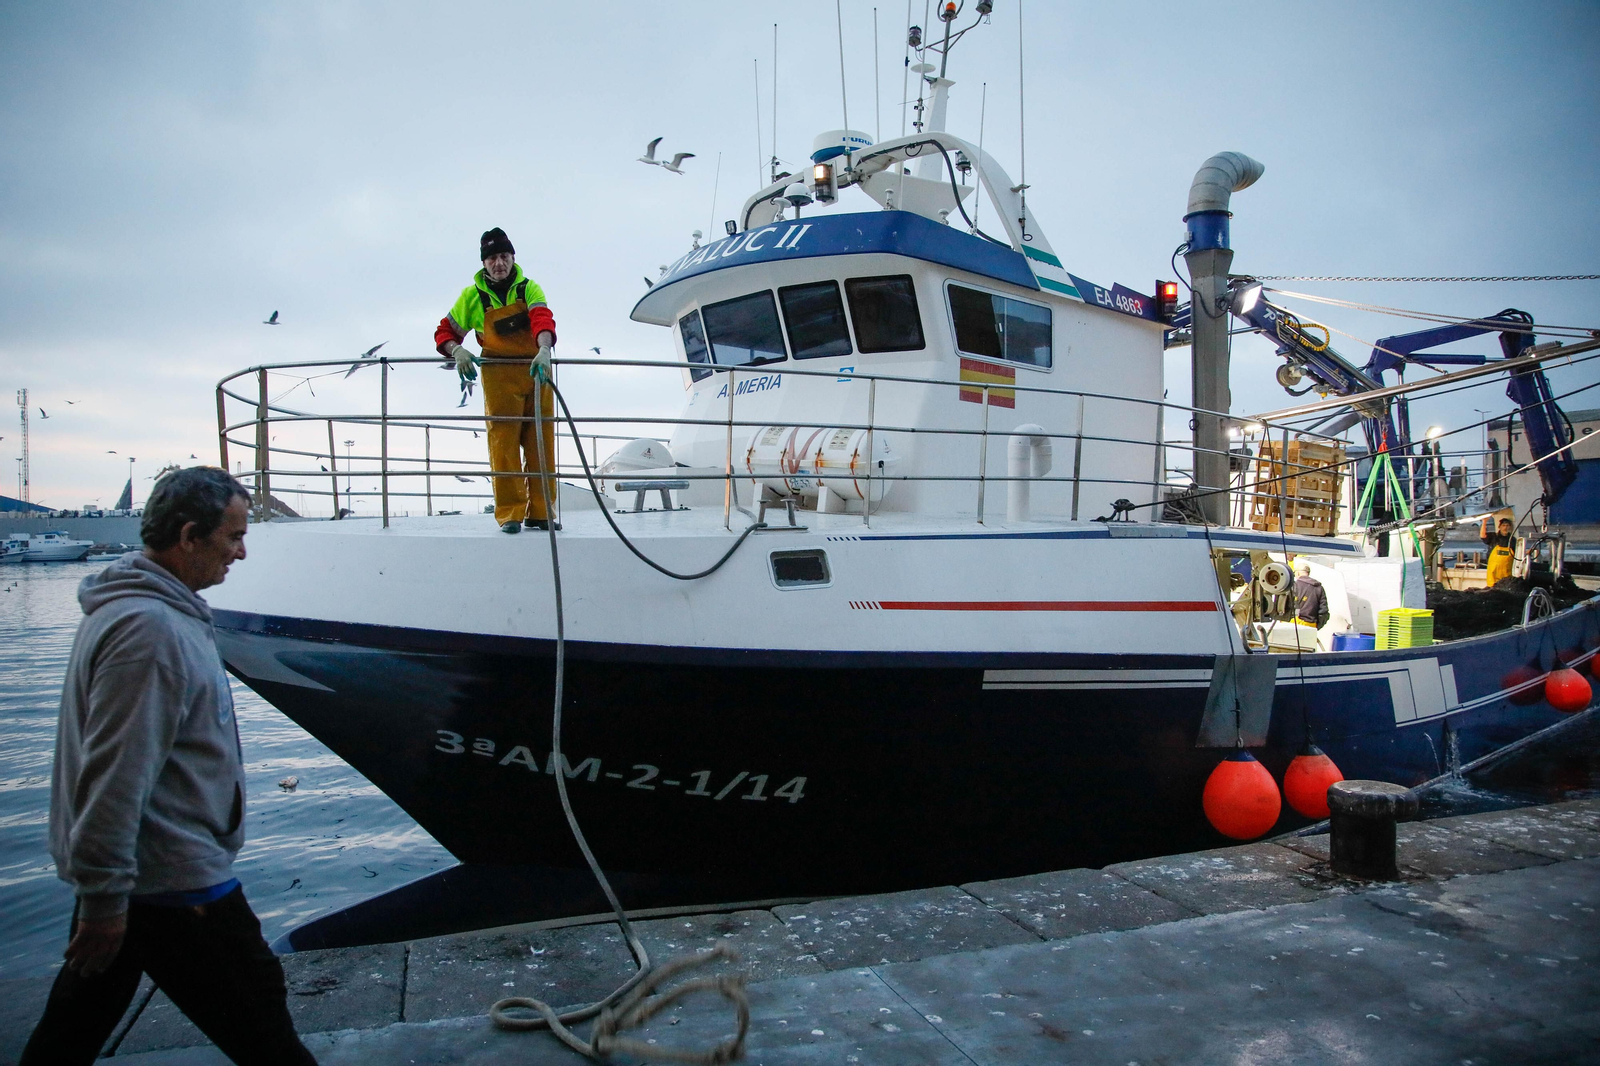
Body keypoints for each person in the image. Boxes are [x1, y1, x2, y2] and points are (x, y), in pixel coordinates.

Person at [21, 467, 317, 1066]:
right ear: (188, 536)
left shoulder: (138, 612)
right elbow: (114, 772)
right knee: (264, 1029)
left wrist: (104, 891)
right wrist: (105, 899)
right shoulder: (149, 629)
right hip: (174, 881)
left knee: (74, 1027)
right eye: (233, 536)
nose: (241, 551)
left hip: (132, 873)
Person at [434, 227, 560, 533]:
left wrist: (544, 350)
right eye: (492, 258)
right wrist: (458, 350)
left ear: (513, 257)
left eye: (504, 256)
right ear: (484, 263)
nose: (499, 263)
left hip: (536, 372)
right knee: (503, 447)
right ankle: (511, 514)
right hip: (498, 379)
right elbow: (444, 333)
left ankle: (542, 512)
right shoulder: (471, 297)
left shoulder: (529, 289)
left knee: (540, 443)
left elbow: (542, 318)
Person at [1291, 558, 1330, 628]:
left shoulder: (1293, 586)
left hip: (1291, 625)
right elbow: (1323, 612)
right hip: (1310, 626)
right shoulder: (1319, 588)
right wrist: (1317, 626)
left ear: (1298, 573)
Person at [1482, 516, 1517, 585]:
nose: (1505, 527)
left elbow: (1517, 554)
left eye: (1507, 525)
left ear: (1510, 527)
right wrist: (1484, 522)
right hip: (1493, 574)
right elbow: (1483, 536)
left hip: (1507, 574)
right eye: (1503, 525)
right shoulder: (1493, 537)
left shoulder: (1513, 540)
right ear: (1499, 527)